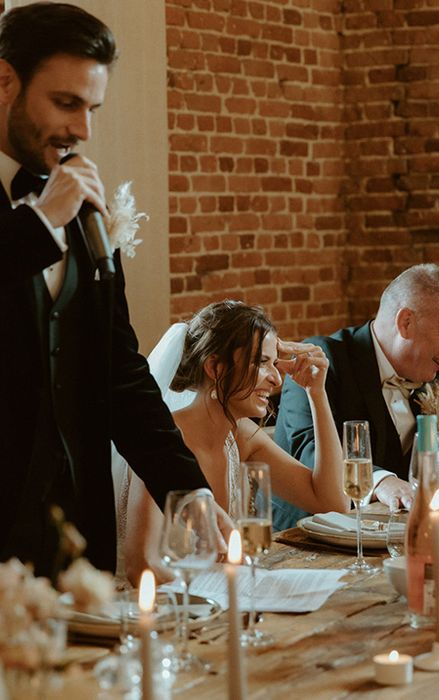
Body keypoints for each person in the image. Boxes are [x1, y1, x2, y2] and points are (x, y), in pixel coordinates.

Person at [0, 3, 215, 578]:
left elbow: (119, 371)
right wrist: (40, 225)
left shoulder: (81, 210)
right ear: (4, 81)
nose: (83, 131)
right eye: (67, 104)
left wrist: (186, 488)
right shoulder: (55, 210)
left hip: (74, 536)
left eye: (92, 108)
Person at [273, 263, 439, 530]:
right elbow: (306, 451)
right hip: (308, 542)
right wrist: (381, 481)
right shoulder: (325, 363)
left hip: (397, 540)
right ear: (406, 323)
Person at [120, 301, 347, 585]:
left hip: (222, 602)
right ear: (215, 367)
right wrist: (222, 592)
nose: (276, 378)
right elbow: (142, 567)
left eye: (274, 362)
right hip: (163, 609)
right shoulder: (162, 442)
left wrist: (317, 393)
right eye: (261, 362)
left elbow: (332, 501)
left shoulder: (242, 436)